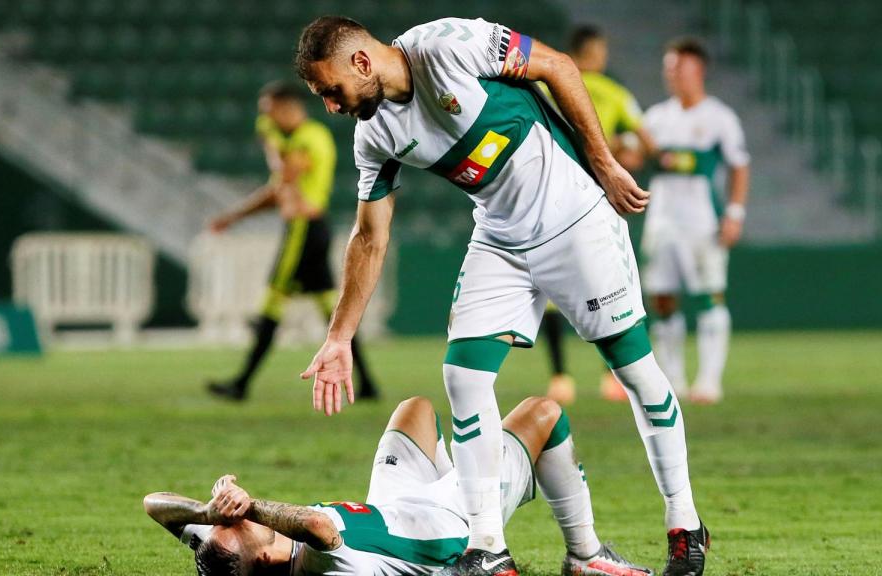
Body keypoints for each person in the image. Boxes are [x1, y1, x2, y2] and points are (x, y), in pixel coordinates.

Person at [294, 16, 707, 576]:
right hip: (500, 235)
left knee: (633, 370)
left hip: (574, 216)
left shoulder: (448, 45)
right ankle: (488, 547)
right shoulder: (374, 135)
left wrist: (604, 163)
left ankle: (685, 524)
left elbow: (558, 66)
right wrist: (339, 337)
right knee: (463, 376)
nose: (331, 106)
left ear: (361, 62)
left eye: (331, 90)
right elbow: (369, 237)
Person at [144, 396, 654, 576]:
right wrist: (251, 504)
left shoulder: (224, 549)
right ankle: (584, 557)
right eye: (236, 524)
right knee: (544, 414)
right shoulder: (317, 567)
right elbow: (317, 525)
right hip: (451, 522)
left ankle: (467, 465)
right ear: (262, 558)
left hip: (395, 503)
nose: (233, 517)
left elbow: (154, 506)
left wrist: (207, 515)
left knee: (416, 408)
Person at [206, 81, 378, 402]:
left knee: (272, 302)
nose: (266, 120)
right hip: (309, 229)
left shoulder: (310, 137)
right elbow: (277, 192)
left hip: (304, 230)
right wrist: (234, 216)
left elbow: (284, 177)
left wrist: (270, 143)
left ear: (288, 107)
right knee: (332, 311)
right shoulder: (297, 141)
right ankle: (368, 384)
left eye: (269, 112)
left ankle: (241, 384)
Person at [541, 24, 657, 406]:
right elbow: (646, 145)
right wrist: (621, 149)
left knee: (552, 290)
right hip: (596, 200)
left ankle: (560, 378)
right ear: (595, 53)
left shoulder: (546, 86)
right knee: (610, 284)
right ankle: (614, 377)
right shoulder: (614, 92)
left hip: (550, 200)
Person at [639, 38, 751, 404]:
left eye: (679, 68)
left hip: (702, 222)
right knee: (662, 299)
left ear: (698, 70)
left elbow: (739, 166)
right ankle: (672, 380)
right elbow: (634, 158)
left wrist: (734, 213)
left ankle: (709, 380)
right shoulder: (655, 118)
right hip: (661, 221)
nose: (672, 75)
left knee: (710, 296)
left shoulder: (719, 118)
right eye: (669, 69)